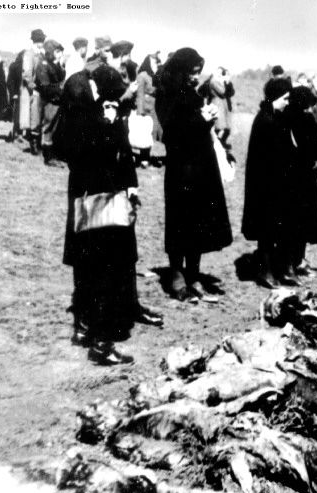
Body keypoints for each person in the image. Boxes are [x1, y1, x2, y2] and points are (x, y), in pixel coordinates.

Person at [58, 65, 162, 365]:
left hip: (109, 197)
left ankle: (90, 330)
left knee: (103, 266)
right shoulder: (87, 114)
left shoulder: (110, 113)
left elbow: (122, 151)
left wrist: (130, 186)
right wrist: (104, 124)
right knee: (101, 268)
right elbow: (82, 154)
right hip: (96, 199)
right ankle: (100, 342)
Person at [156, 47, 233, 302]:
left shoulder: (191, 94)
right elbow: (172, 134)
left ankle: (194, 273)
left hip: (201, 166)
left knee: (198, 221)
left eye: (198, 73)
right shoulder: (167, 96)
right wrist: (201, 120)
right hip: (181, 169)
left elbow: (196, 127)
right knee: (180, 222)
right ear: (180, 71)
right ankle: (177, 275)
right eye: (191, 72)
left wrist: (207, 118)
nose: (195, 77)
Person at [242, 77, 295, 288]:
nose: (288, 102)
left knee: (277, 227)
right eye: (285, 98)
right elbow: (266, 156)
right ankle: (266, 271)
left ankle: (278, 269)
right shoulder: (265, 120)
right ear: (275, 97)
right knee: (266, 229)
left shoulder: (277, 117)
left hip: (277, 182)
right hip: (266, 185)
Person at [287, 85, 317, 276]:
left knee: (298, 223)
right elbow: (314, 147)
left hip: (301, 178)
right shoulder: (302, 120)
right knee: (300, 223)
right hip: (302, 179)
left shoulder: (289, 118)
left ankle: (298, 260)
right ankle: (296, 261)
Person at [35, 39, 65, 165]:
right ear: (51, 52)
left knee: (54, 129)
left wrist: (60, 65)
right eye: (57, 52)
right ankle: (48, 157)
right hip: (49, 101)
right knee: (49, 128)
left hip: (56, 101)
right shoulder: (43, 64)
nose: (60, 54)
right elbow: (45, 86)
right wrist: (60, 90)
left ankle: (52, 154)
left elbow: (62, 77)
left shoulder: (54, 64)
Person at [20, 28, 46, 154]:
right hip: (33, 91)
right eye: (41, 40)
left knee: (39, 117)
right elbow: (27, 73)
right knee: (34, 117)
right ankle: (34, 145)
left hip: (40, 90)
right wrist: (33, 86)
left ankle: (37, 143)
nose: (42, 42)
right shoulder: (29, 54)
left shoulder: (41, 54)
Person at [134, 52, 162, 168]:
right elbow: (139, 93)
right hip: (146, 107)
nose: (156, 64)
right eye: (154, 62)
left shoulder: (157, 75)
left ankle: (150, 156)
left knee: (153, 132)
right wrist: (140, 111)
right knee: (145, 132)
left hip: (156, 106)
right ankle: (143, 158)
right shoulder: (142, 75)